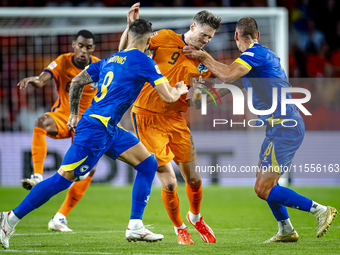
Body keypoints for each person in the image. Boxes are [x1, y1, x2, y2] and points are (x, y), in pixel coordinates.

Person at [1, 18, 188, 249]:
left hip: (107, 128)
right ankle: (9, 219)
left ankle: (136, 225)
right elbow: (168, 97)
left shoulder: (111, 59)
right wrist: (179, 89)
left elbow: (78, 81)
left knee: (148, 164)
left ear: (128, 36)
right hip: (96, 129)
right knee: (62, 180)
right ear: (150, 40)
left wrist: (73, 114)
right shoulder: (144, 61)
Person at [183, 17, 338, 243]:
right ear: (258, 35)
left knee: (263, 188)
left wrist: (204, 57)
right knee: (266, 184)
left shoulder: (255, 55)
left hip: (285, 127)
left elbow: (226, 74)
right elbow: (222, 89)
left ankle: (320, 210)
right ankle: (285, 229)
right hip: (279, 128)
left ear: (237, 36)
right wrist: (191, 97)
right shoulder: (256, 63)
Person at [118, 3, 220, 245]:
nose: (206, 40)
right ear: (192, 26)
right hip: (146, 117)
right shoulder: (163, 37)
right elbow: (125, 52)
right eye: (203, 34)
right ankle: (179, 227)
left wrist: (224, 90)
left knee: (194, 179)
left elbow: (197, 99)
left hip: (175, 119)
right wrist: (131, 26)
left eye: (210, 37)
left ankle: (195, 217)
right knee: (170, 180)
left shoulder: (202, 61)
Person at [18, 30, 100, 232]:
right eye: (80, 45)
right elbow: (43, 78)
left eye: (88, 47)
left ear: (93, 49)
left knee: (88, 169)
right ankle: (37, 175)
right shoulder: (62, 61)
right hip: (64, 116)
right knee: (41, 122)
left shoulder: (99, 65)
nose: (83, 50)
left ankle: (60, 218)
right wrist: (35, 80)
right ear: (74, 45)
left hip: (87, 123)